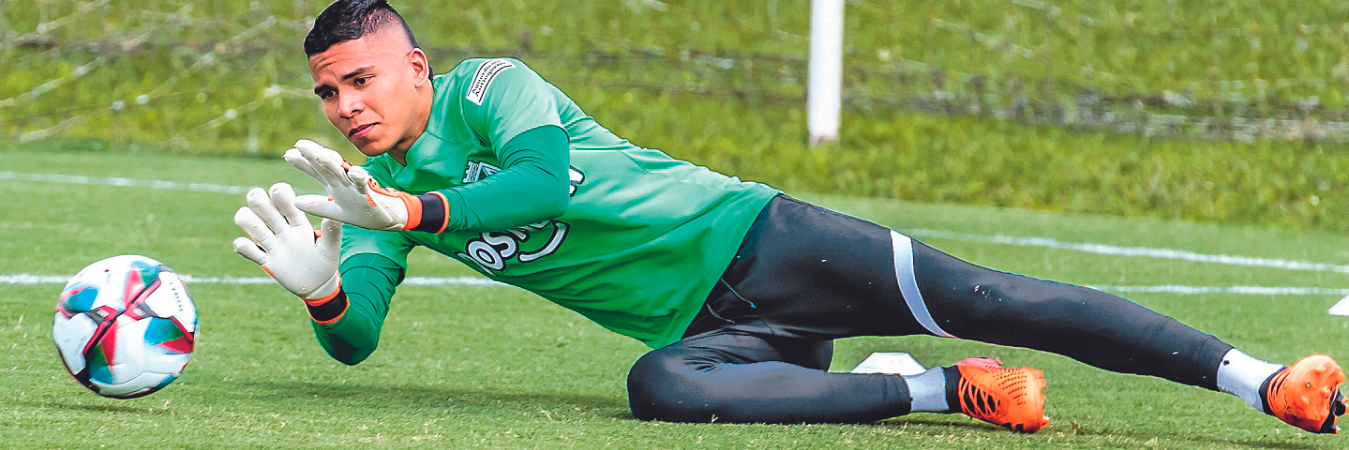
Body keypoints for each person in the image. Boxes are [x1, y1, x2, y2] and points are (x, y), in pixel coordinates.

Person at [231, 0, 1346, 434]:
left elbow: (540, 187)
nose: (347, 106)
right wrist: (325, 284)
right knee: (658, 389)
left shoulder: (492, 88)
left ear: (413, 67)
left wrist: (415, 206)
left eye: (362, 80)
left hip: (764, 239)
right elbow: (357, 339)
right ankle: (937, 391)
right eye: (329, 92)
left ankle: (1262, 380)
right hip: (722, 331)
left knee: (988, 297)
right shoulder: (368, 203)